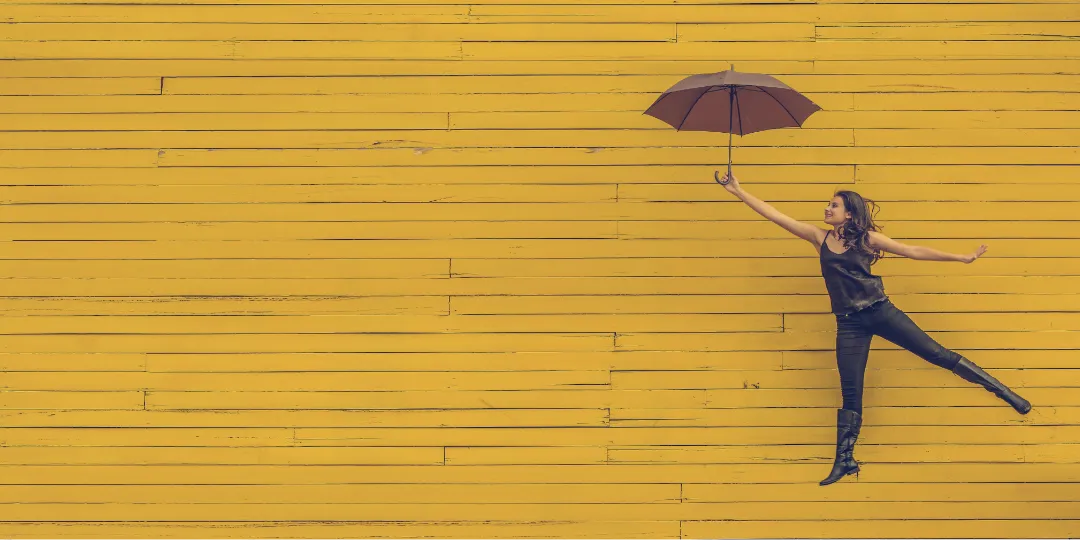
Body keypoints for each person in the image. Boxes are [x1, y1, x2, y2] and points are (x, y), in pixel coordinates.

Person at [716, 171, 1031, 486]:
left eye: (833, 205)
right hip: (849, 323)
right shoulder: (818, 237)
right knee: (850, 392)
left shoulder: (867, 239)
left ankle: (1005, 392)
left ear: (848, 213)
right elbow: (775, 215)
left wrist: (961, 257)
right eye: (828, 205)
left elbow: (911, 250)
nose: (827, 209)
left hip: (880, 312)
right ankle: (845, 460)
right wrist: (738, 191)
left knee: (936, 354)